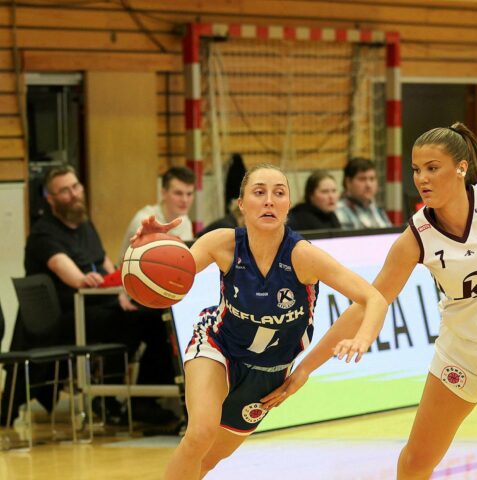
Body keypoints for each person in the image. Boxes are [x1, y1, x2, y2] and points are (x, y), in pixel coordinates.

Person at [270, 45, 477, 479]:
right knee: (414, 462)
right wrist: (305, 368)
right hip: (462, 350)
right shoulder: (415, 237)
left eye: (433, 168)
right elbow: (367, 303)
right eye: (417, 170)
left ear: (461, 168)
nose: (422, 178)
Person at [132, 164, 388, 480]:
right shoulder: (221, 243)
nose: (269, 200)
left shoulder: (303, 256)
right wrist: (147, 247)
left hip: (268, 373)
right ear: (241, 203)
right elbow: (172, 275)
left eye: (279, 193)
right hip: (217, 345)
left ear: (288, 205)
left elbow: (373, 299)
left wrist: (351, 344)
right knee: (199, 435)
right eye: (259, 192)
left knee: (208, 461)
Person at [5, 165, 176, 424]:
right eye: (64, 191)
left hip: (97, 307)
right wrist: (93, 282)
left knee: (157, 319)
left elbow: (108, 267)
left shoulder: (85, 226)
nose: (73, 194)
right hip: (64, 318)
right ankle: (110, 399)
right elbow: (75, 277)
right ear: (50, 199)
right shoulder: (43, 233)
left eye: (75, 186)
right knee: (134, 321)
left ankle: (143, 401)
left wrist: (125, 291)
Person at [118, 166, 195, 262]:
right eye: (178, 193)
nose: (185, 200)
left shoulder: (185, 220)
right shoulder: (145, 220)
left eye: (189, 194)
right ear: (163, 193)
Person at [335, 157, 392, 230]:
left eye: (372, 179)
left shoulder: (378, 211)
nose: (368, 185)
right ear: (348, 182)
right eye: (362, 179)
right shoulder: (339, 211)